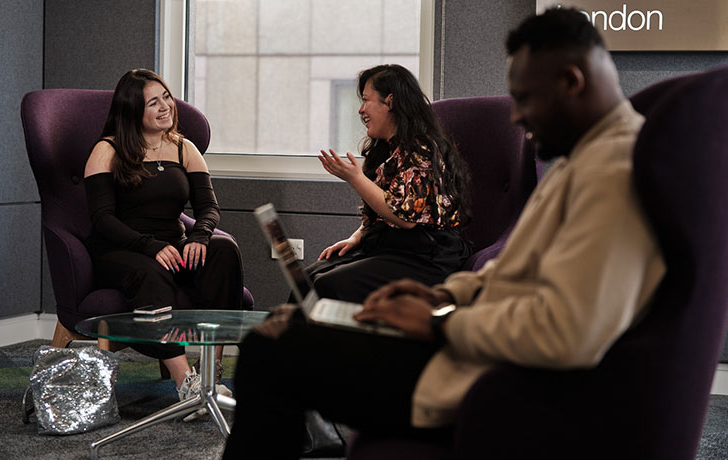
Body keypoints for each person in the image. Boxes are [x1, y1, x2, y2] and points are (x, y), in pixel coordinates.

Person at [221, 8, 666, 459]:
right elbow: (508, 277)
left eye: (526, 100)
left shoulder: (617, 172)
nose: (517, 120)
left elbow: (569, 331)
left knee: (268, 352)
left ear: (571, 81)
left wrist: (440, 322)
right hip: (466, 344)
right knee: (282, 336)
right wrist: (439, 299)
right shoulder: (582, 161)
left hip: (485, 376)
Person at [83, 69, 244, 404]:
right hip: (123, 248)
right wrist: (150, 246)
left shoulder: (183, 147)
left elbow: (209, 207)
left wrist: (200, 236)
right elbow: (102, 219)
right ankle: (186, 383)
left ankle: (210, 375)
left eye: (166, 98)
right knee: (151, 271)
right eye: (152, 103)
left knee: (223, 248)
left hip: (174, 243)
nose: (165, 107)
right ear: (132, 112)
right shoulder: (107, 150)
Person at [306, 64, 471, 303]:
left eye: (366, 100)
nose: (361, 110)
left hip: (426, 257)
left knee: (328, 284)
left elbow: (405, 218)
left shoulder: (422, 150)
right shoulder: (387, 150)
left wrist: (356, 178)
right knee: (310, 278)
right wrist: (358, 236)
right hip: (393, 249)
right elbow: (380, 213)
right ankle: (291, 338)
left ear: (390, 102)